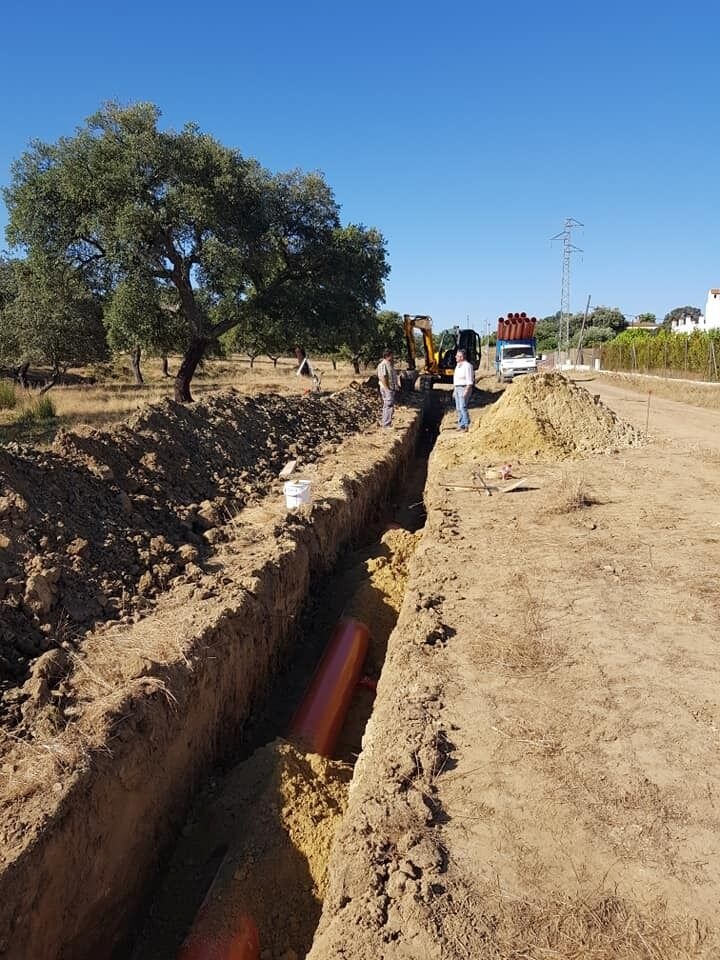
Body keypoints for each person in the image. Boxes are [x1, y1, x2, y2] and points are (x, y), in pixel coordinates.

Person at [453, 348, 474, 431]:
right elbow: (456, 379)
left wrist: (466, 391)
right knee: (458, 408)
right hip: (457, 388)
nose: (455, 357)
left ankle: (466, 424)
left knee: (462, 407)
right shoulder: (458, 366)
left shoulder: (467, 366)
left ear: (462, 357)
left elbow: (469, 380)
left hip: (464, 387)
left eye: (457, 356)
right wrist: (455, 390)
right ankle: (461, 425)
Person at [377, 349, 398, 427]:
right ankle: (386, 424)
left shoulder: (389, 364)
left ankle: (387, 422)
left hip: (390, 388)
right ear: (387, 356)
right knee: (388, 405)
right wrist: (387, 388)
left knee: (389, 405)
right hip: (387, 389)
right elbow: (383, 377)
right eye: (392, 355)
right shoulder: (383, 365)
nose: (393, 357)